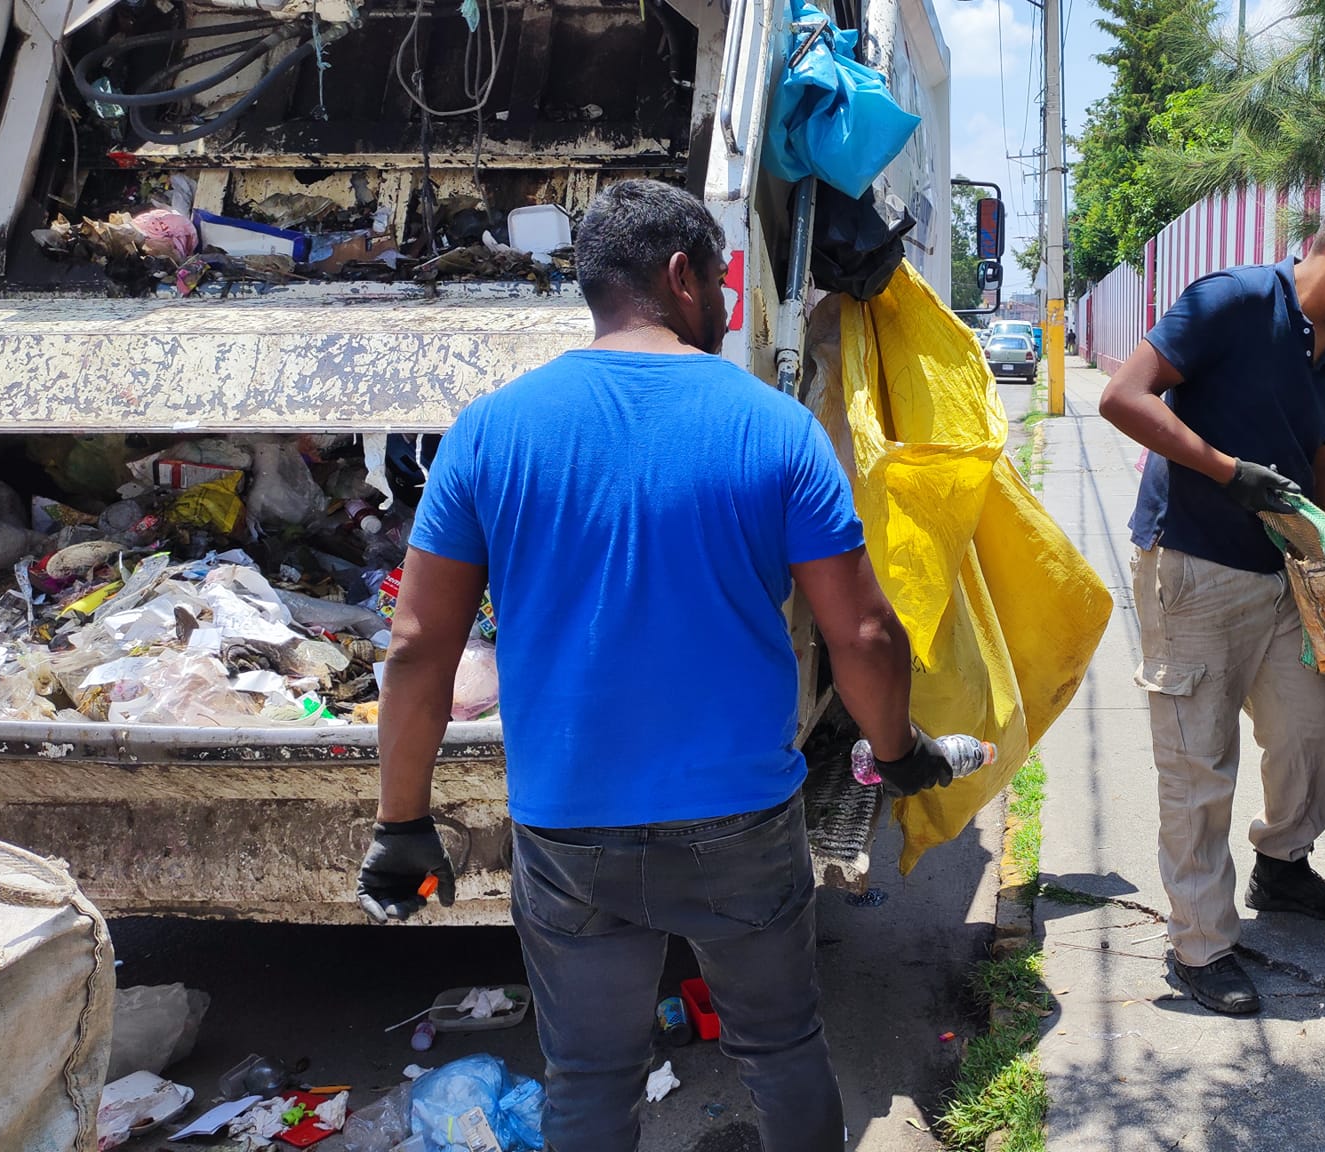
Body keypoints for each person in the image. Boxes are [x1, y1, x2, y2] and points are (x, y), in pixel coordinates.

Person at [353, 178, 962, 1151]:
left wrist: (401, 822)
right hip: (739, 825)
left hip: (568, 831)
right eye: (716, 277)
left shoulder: (490, 432)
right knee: (779, 1046)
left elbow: (421, 643)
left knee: (589, 1077)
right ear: (679, 277)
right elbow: (864, 636)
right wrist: (895, 753)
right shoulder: (773, 428)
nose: (723, 301)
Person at [1096, 175, 1325, 1017]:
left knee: (1313, 731)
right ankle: (1200, 945)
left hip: (1286, 572)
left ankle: (1282, 864)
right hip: (1193, 565)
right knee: (1198, 763)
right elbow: (1123, 397)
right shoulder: (1231, 301)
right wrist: (1227, 472)